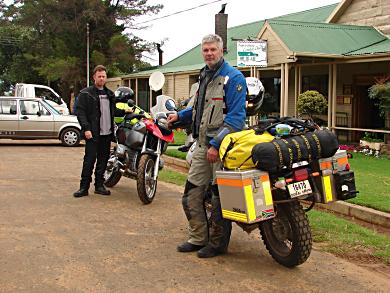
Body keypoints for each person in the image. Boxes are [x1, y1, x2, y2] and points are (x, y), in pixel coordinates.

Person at [167, 34, 247, 258]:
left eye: (213, 49)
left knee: (218, 198)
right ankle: (197, 238)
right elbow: (198, 111)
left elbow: (236, 119)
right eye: (206, 50)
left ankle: (217, 244)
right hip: (203, 145)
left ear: (222, 51)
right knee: (191, 194)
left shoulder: (233, 78)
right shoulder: (204, 75)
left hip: (222, 149)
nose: (209, 53)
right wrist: (179, 116)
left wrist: (216, 144)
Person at [73, 65, 115, 197]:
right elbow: (80, 112)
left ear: (106, 77)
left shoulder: (110, 95)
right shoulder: (86, 93)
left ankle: (99, 186)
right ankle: (83, 188)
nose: (101, 78)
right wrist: (86, 128)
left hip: (106, 134)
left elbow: (114, 111)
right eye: (99, 76)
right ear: (94, 77)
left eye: (103, 76)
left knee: (103, 161)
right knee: (89, 161)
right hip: (92, 134)